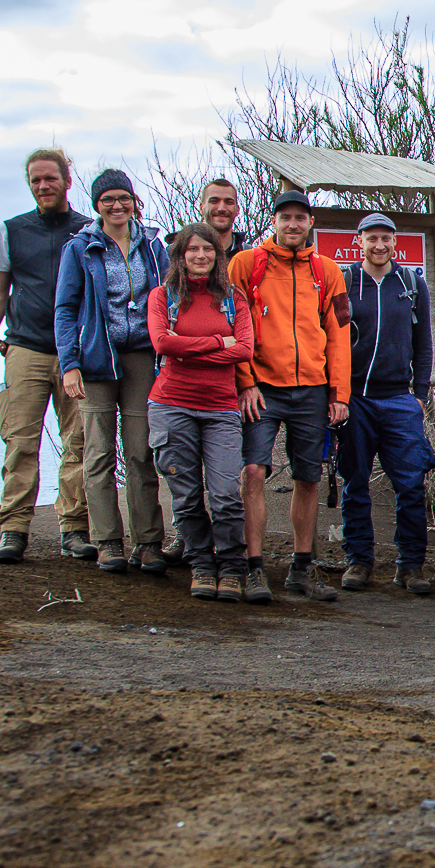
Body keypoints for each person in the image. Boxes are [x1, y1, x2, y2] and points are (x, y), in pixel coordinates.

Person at [0, 149, 92, 565]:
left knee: (80, 442)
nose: (43, 186)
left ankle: (74, 529)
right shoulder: (10, 231)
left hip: (77, 352)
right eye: (35, 180)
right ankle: (13, 529)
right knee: (19, 441)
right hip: (25, 348)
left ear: (67, 180)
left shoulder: (89, 230)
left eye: (50, 178)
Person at [229, 189, 351, 603]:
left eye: (301, 217)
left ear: (310, 223)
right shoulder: (246, 264)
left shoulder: (327, 270)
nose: (293, 224)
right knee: (253, 473)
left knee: (308, 478)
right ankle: (254, 568)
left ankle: (302, 567)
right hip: (262, 388)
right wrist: (245, 381)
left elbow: (338, 334)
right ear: (274, 221)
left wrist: (339, 393)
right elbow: (237, 326)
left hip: (312, 390)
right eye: (286, 217)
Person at [54, 170, 169, 574]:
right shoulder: (81, 248)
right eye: (108, 200)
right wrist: (69, 364)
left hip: (142, 356)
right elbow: (66, 309)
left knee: (141, 451)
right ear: (96, 204)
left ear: (134, 200)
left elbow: (170, 298)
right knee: (99, 452)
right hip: (96, 358)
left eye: (124, 198)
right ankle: (107, 542)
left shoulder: (154, 246)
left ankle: (149, 542)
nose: (117, 206)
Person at [146, 224, 254, 601]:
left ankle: (231, 567)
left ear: (217, 255)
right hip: (171, 405)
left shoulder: (232, 298)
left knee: (225, 494)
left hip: (221, 409)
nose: (200, 256)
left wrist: (185, 348)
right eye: (192, 249)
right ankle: (202, 566)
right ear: (180, 255)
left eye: (208, 250)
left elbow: (243, 350)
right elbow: (161, 343)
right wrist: (214, 342)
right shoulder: (163, 296)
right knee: (187, 495)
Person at [338, 213, 435, 596]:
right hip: (355, 399)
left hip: (399, 398)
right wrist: (337, 395)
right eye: (372, 238)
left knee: (411, 485)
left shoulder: (411, 284)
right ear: (359, 241)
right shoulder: (345, 282)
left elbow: (423, 341)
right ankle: (359, 560)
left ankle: (410, 565)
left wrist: (420, 393)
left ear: (395, 243)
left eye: (386, 239)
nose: (379, 245)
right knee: (355, 483)